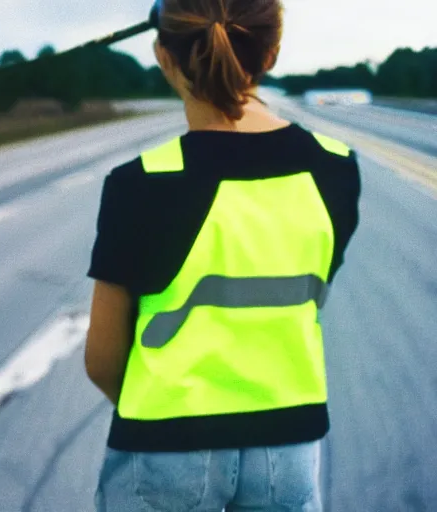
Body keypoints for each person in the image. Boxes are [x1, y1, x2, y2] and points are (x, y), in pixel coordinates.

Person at [84, 0, 361, 510]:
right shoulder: (336, 168)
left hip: (164, 447)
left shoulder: (137, 184)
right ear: (272, 53)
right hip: (290, 443)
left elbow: (102, 359)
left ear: (164, 57)